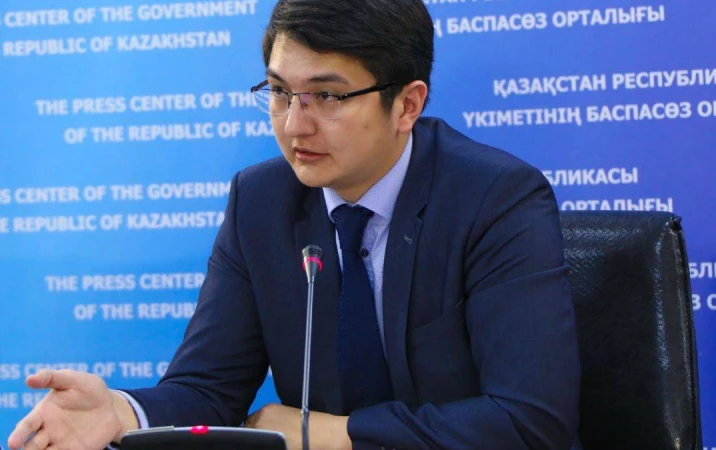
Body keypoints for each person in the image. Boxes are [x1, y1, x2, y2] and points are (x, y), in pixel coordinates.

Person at [8, 0, 581, 449]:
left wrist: (333, 434)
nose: (293, 125)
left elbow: (528, 421)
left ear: (407, 105)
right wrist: (121, 412)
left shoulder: (495, 199)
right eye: (280, 92)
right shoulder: (260, 202)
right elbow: (209, 387)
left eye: (327, 96)